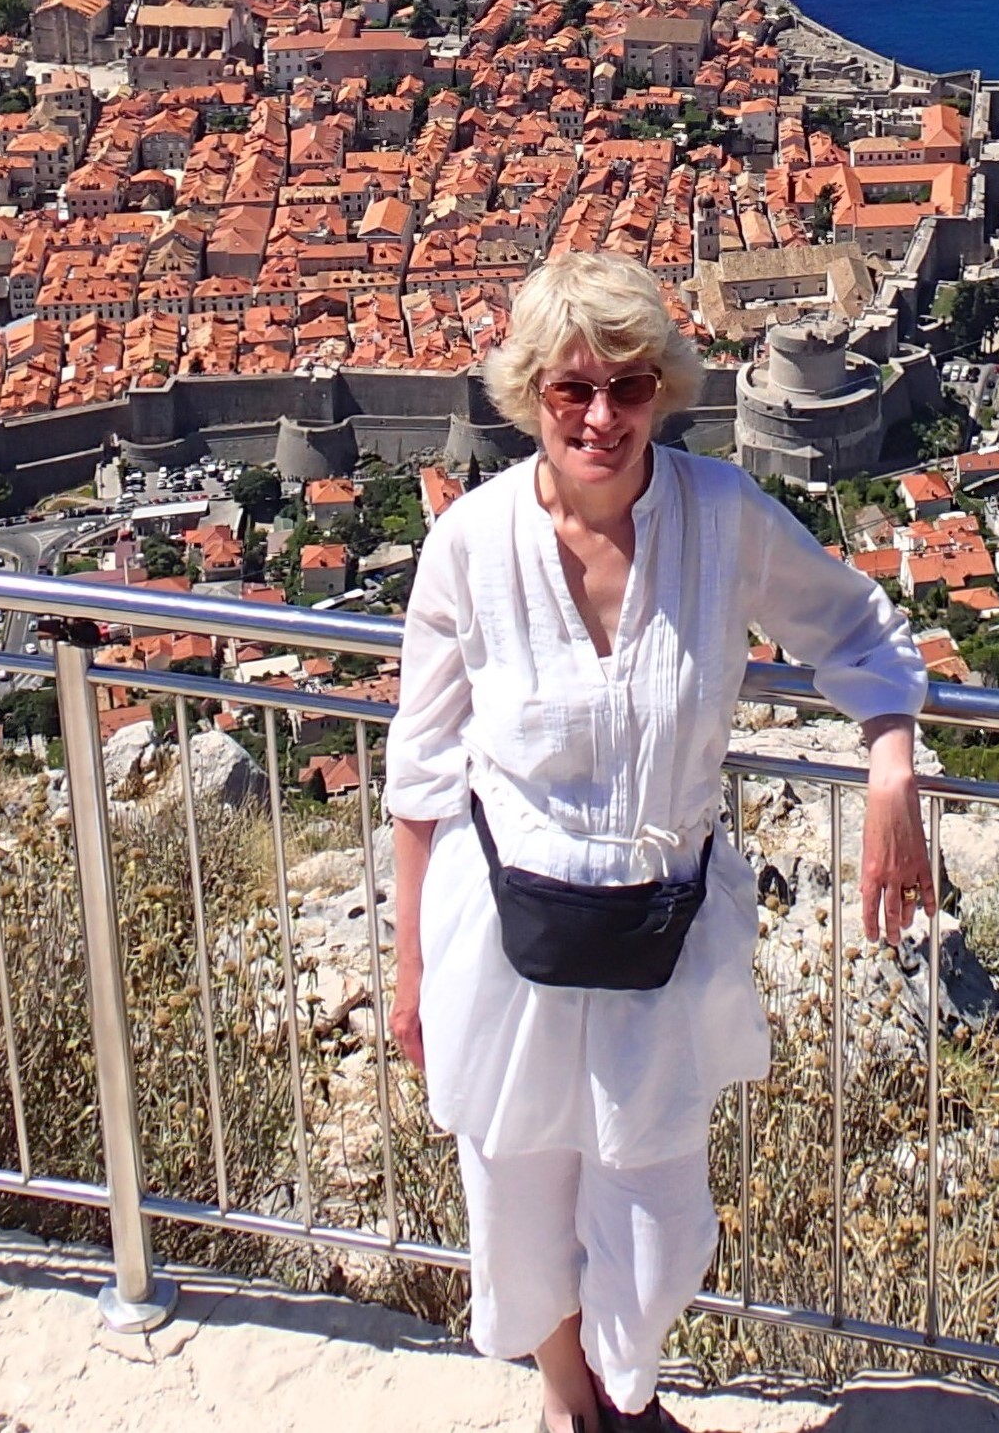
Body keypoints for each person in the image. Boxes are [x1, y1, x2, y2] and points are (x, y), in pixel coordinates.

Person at [385, 252, 931, 1433]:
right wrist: (411, 965)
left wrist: (891, 762)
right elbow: (421, 776)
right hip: (505, 935)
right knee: (517, 1194)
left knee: (654, 1217)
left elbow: (854, 626)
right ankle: (571, 1403)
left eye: (629, 386)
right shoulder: (470, 544)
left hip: (662, 929)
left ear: (664, 392)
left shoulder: (720, 517)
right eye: (573, 387)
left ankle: (627, 1390)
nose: (602, 415)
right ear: (529, 393)